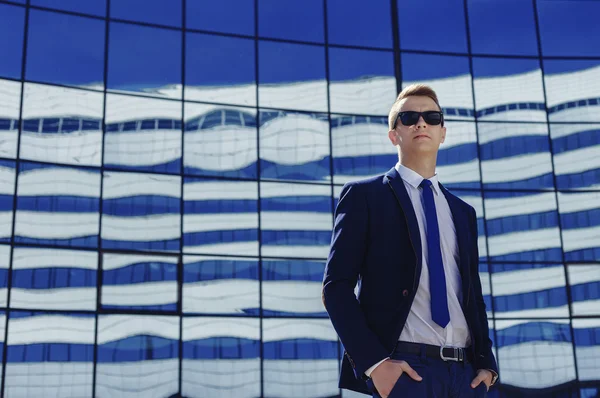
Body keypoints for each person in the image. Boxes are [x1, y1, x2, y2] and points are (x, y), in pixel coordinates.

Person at [322, 84, 498, 398]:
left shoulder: (463, 212)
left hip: (467, 375)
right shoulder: (365, 196)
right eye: (409, 117)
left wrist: (487, 364)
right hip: (407, 370)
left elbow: (473, 293)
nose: (421, 123)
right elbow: (335, 287)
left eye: (431, 117)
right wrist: (376, 365)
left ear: (443, 133)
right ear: (394, 135)